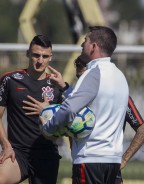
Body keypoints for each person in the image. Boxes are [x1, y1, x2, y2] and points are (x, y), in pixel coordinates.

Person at [39, 26, 128, 184]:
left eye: (85, 41)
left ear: (94, 46)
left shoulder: (93, 73)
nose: (82, 45)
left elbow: (70, 108)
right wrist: (65, 87)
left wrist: (48, 128)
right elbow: (94, 101)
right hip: (113, 161)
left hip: (90, 160)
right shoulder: (120, 76)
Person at [0, 35, 68, 184]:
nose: (40, 60)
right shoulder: (10, 80)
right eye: (36, 55)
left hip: (47, 154)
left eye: (45, 56)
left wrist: (47, 111)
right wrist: (6, 146)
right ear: (28, 54)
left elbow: (72, 119)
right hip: (18, 153)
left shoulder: (58, 85)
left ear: (51, 57)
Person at [73, 55, 144, 184]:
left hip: (107, 166)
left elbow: (142, 131)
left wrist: (124, 159)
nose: (82, 81)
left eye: (84, 77)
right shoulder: (75, 99)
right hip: (85, 162)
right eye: (79, 77)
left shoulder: (119, 97)